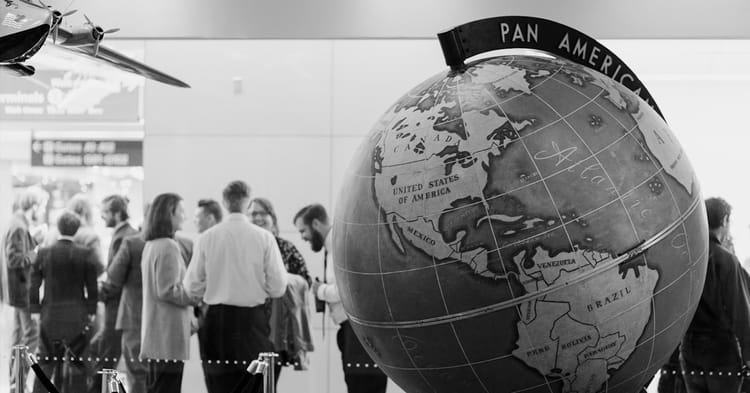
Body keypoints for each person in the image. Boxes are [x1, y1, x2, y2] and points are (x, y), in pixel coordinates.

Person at [184, 181, 288, 393]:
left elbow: (191, 287)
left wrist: (210, 286)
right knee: (254, 386)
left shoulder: (207, 238)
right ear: (247, 202)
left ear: (224, 202)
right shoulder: (265, 238)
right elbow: (278, 287)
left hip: (216, 323)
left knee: (219, 387)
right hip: (253, 324)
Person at [294, 204, 387, 393]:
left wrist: (319, 290)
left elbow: (345, 291)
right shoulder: (336, 243)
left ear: (316, 223)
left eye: (303, 230)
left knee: (361, 387)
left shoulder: (340, 243)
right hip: (356, 330)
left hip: (358, 331)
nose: (303, 237)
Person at [680, 197, 750, 393]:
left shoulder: (687, 258)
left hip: (689, 350)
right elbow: (741, 313)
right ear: (725, 221)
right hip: (720, 352)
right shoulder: (726, 260)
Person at [29, 211, 100, 393]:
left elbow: (34, 284)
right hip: (77, 315)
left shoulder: (43, 253)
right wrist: (91, 310)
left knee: (46, 362)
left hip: (50, 314)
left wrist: (35, 310)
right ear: (77, 230)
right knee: (77, 363)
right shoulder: (86, 253)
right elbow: (92, 287)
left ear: (57, 227)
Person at [248, 197, 313, 386]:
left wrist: (284, 280)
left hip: (277, 330)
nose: (257, 217)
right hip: (248, 326)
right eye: (253, 214)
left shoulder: (285, 247)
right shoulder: (243, 248)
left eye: (262, 213)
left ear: (272, 218)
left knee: (267, 384)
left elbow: (305, 280)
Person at [140, 193, 198, 393]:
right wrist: (196, 295)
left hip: (157, 336)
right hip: (167, 337)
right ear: (169, 214)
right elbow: (168, 290)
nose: (185, 216)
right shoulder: (168, 246)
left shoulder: (152, 245)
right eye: (181, 211)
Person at [90, 194, 138, 393]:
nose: (102, 216)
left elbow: (116, 278)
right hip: (118, 305)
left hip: (117, 306)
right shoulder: (127, 234)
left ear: (117, 213)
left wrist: (100, 293)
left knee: (107, 357)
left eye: (106, 212)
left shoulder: (124, 237)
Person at [101, 205, 150, 393]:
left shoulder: (132, 242)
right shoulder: (179, 243)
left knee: (137, 374)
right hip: (165, 321)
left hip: (134, 315)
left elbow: (113, 276)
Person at [3, 186, 48, 391]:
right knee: (30, 335)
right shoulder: (19, 226)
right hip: (21, 291)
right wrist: (36, 247)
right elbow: (15, 259)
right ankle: (19, 380)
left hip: (17, 290)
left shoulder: (17, 223)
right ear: (35, 205)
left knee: (19, 335)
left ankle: (15, 382)